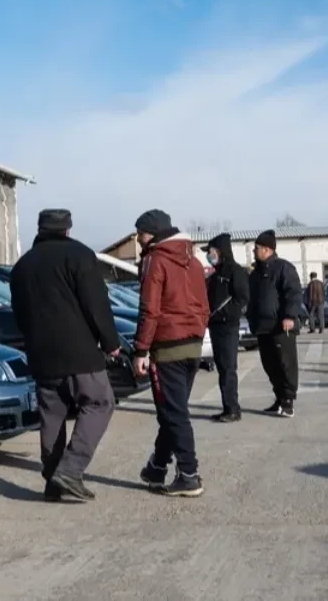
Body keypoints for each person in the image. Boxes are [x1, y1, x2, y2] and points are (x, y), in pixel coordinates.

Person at [10, 208, 121, 502]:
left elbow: (19, 314)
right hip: (80, 352)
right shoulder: (80, 256)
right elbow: (97, 304)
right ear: (68, 229)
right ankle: (71, 470)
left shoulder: (22, 266)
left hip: (41, 355)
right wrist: (111, 342)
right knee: (100, 402)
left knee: (52, 415)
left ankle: (52, 483)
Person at [131, 209, 210, 498]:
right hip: (192, 344)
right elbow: (204, 303)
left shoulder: (155, 260)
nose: (138, 239)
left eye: (139, 233)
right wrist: (199, 331)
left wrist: (141, 350)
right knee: (172, 410)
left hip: (167, 348)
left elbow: (149, 309)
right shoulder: (193, 261)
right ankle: (157, 466)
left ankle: (189, 474)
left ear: (150, 233)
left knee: (174, 413)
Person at [246, 230, 304, 418]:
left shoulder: (283, 268)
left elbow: (293, 293)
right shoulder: (255, 274)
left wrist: (289, 316)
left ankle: (288, 401)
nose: (254, 251)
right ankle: (279, 398)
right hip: (263, 328)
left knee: (285, 364)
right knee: (269, 365)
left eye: (256, 248)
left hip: (281, 327)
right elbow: (252, 299)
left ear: (267, 250)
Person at [202, 233, 249, 422]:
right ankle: (227, 407)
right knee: (222, 368)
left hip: (228, 326)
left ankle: (233, 409)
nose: (209, 255)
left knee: (228, 368)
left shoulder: (235, 271)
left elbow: (242, 298)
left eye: (211, 251)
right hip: (215, 326)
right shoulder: (215, 274)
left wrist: (224, 313)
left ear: (220, 251)